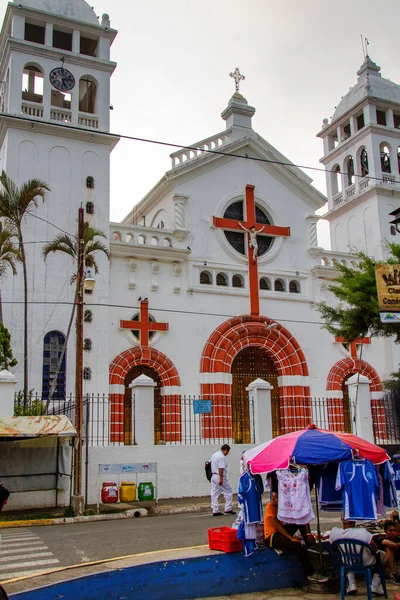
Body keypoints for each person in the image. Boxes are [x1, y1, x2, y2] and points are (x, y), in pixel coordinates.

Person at [264, 491, 327, 583]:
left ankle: (310, 545)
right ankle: (310, 574)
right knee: (297, 545)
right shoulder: (270, 506)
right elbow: (277, 526)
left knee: (299, 523)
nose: (273, 500)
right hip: (272, 536)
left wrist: (308, 534)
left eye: (276, 497)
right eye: (273, 497)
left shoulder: (285, 506)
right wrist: (291, 538)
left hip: (281, 533)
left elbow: (301, 517)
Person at [330, 516, 387, 596]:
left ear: (341, 519)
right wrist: (375, 553)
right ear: (354, 519)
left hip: (347, 562)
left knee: (346, 556)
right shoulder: (362, 532)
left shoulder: (334, 532)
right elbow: (374, 547)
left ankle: (351, 583)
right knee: (383, 556)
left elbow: (334, 548)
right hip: (366, 562)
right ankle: (375, 584)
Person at [210, 444, 236, 516]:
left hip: (213, 475)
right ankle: (228, 509)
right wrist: (221, 479)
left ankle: (215, 510)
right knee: (228, 491)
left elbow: (209, 464)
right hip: (219, 476)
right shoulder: (222, 457)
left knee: (214, 493)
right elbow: (220, 468)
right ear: (225, 450)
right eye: (227, 452)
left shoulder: (214, 455)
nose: (227, 453)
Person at [374, 520, 400, 584]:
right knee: (388, 548)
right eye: (390, 530)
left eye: (394, 530)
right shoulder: (381, 538)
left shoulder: (397, 538)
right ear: (385, 531)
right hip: (386, 567)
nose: (393, 533)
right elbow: (389, 544)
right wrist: (397, 545)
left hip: (397, 564)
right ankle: (393, 574)